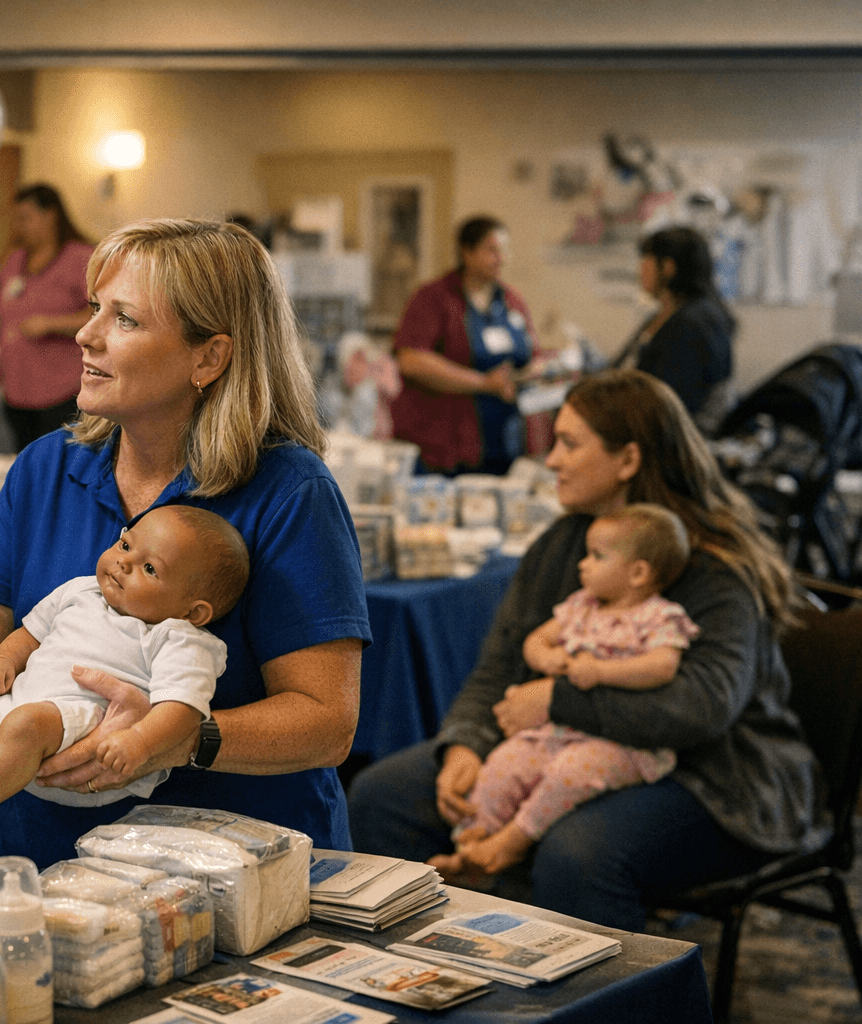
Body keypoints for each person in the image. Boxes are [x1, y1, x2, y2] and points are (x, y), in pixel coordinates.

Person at [0, 218, 369, 868]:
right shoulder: (45, 468)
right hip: (58, 866)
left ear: (209, 357)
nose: (85, 335)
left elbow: (325, 723)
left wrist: (174, 738)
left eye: (125, 320)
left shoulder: (289, 490)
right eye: (92, 309)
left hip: (239, 873)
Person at [347, 368, 828, 931]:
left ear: (628, 460)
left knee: (578, 852)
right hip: (562, 750)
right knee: (383, 795)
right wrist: (466, 746)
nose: (551, 460)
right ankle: (423, 986)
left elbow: (701, 709)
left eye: (569, 444)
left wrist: (556, 702)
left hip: (717, 779)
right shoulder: (563, 545)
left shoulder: (713, 568)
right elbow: (498, 668)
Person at [0, 505, 247, 841]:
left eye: (149, 568)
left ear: (193, 612)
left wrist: (141, 743)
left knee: (27, 722)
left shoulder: (179, 638)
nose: (123, 562)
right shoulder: (80, 591)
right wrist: (3, 663)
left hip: (86, 732)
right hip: (19, 711)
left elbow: (181, 707)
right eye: (126, 545)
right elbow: (28, 635)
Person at [431, 503, 699, 879]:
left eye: (597, 556)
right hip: (557, 731)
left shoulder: (659, 617)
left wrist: (601, 671)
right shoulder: (581, 606)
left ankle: (511, 842)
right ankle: (472, 845)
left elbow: (662, 666)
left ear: (638, 572)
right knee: (503, 766)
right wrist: (547, 658)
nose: (582, 564)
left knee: (568, 775)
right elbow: (534, 641)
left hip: (619, 741)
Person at [389, 215, 536, 475]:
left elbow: (530, 354)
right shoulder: (433, 298)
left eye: (504, 251)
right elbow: (411, 360)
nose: (500, 259)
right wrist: (482, 383)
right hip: (445, 447)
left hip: (503, 446)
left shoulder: (511, 300)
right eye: (491, 250)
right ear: (466, 252)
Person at [0, 183, 97, 451]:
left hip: (61, 392)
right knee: (26, 468)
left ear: (50, 215)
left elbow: (102, 314)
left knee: (57, 471)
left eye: (25, 217)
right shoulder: (15, 260)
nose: (19, 226)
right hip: (16, 389)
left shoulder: (80, 258)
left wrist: (52, 324)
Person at [613, 225, 736, 434]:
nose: (640, 269)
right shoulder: (672, 314)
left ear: (668, 267)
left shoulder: (691, 325)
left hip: (671, 441)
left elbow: (670, 405)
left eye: (646, 260)